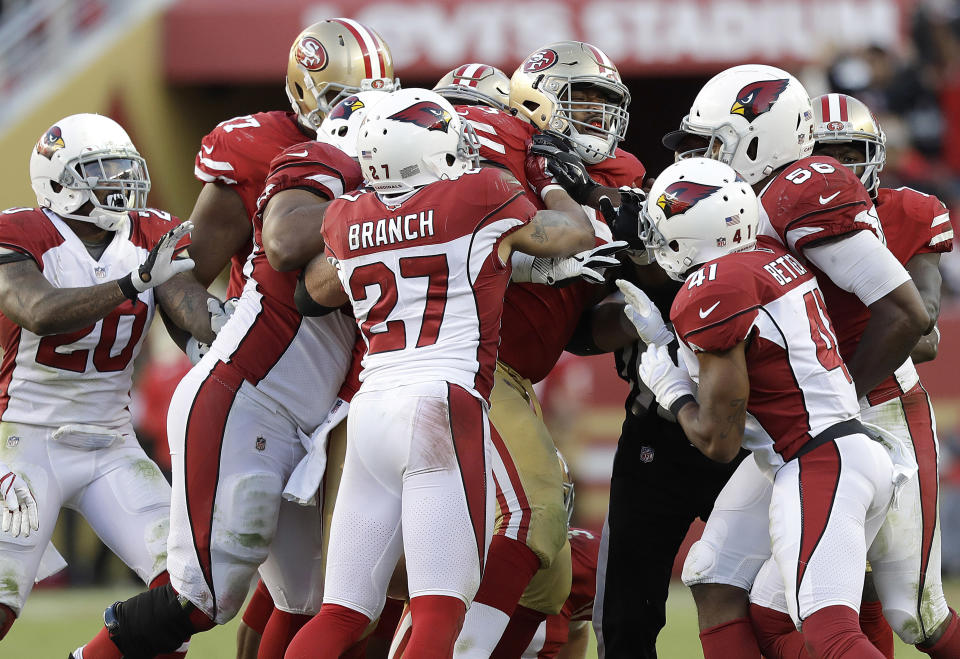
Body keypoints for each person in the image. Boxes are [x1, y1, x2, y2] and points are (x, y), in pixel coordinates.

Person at [283, 87, 595, 658]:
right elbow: (574, 233)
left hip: (371, 407)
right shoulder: (480, 192)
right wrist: (554, 181)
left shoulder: (345, 215)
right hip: (440, 405)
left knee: (341, 611)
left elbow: (317, 288)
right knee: (439, 607)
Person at [659, 64, 943, 657]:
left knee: (912, 613)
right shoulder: (749, 204)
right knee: (717, 575)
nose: (711, 156)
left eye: (719, 141)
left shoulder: (798, 190)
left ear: (761, 136)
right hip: (808, 429)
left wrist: (841, 401)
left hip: (865, 411)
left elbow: (909, 316)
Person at [75, 137, 364, 659]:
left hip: (302, 422)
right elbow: (280, 252)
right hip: (245, 400)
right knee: (203, 599)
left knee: (318, 600)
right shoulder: (316, 166)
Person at [636, 156, 899, 657]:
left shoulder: (712, 289)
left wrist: (672, 388)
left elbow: (719, 440)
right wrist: (676, 348)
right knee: (727, 583)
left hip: (815, 461)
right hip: (833, 451)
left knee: (831, 635)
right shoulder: (765, 261)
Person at [449, 42, 647, 657]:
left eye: (603, 105)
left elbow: (584, 326)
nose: (595, 118)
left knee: (553, 581)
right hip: (469, 362)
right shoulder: (499, 143)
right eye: (580, 100)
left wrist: (652, 313)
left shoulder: (622, 176)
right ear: (534, 101)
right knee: (530, 524)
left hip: (517, 377)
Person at [746, 93, 958, 658]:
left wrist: (845, 390)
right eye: (826, 152)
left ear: (877, 156)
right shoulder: (771, 209)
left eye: (850, 152)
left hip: (880, 404)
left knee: (915, 614)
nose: (837, 167)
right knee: (764, 600)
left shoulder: (912, 212)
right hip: (802, 418)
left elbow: (923, 322)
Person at [0, 113, 218, 652]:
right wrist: (135, 279)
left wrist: (230, 317)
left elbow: (188, 306)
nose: (119, 182)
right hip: (23, 439)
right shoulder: (19, 232)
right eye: (101, 171)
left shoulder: (152, 232)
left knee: (187, 597)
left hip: (112, 444)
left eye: (124, 167)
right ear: (60, 181)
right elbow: (39, 311)